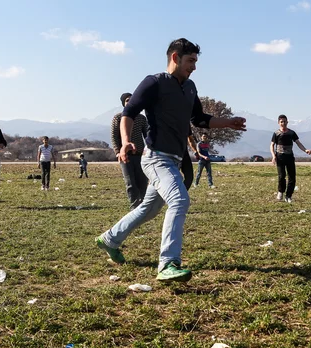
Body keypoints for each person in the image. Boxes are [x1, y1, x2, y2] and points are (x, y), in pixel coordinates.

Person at [95, 38, 246, 282]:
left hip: (174, 159)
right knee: (179, 200)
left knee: (148, 208)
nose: (194, 67)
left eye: (196, 61)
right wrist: (125, 142)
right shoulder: (154, 82)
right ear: (175, 58)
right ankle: (168, 263)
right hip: (156, 158)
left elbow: (199, 119)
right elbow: (129, 113)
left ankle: (110, 238)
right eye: (190, 61)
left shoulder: (190, 87)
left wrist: (227, 122)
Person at [111, 92, 149, 209]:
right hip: (125, 155)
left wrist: (149, 150)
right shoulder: (118, 117)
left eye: (132, 99)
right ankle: (134, 207)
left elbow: (147, 135)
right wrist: (117, 152)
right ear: (123, 103)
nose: (130, 102)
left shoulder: (142, 118)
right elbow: (114, 136)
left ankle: (142, 207)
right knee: (130, 183)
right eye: (127, 100)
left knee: (142, 182)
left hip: (140, 154)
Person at [270, 114, 311, 203]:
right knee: (281, 176)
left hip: (289, 157)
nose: (283, 123)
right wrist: (274, 156)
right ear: (279, 123)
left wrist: (305, 150)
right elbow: (272, 145)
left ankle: (288, 196)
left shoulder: (292, 133)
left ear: (287, 122)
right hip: (280, 157)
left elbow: (298, 143)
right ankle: (281, 191)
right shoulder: (276, 133)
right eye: (281, 122)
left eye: (285, 121)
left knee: (292, 177)